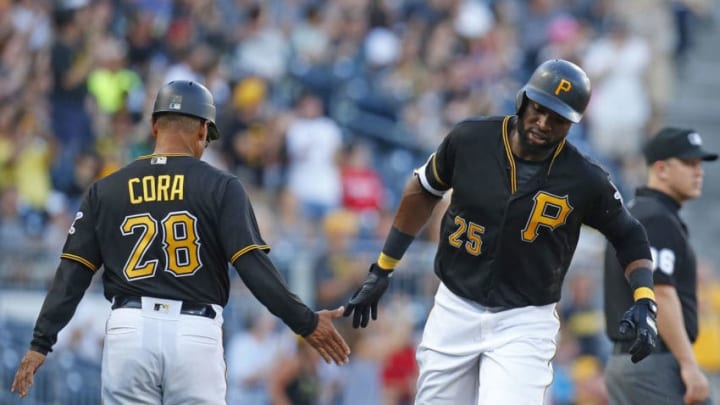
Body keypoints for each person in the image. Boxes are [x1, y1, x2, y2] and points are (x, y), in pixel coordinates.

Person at [11, 80, 350, 404]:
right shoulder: (220, 186)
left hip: (129, 330)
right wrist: (304, 322)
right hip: (194, 331)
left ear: (155, 126)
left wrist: (41, 342)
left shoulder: (107, 188)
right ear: (203, 130)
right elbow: (252, 265)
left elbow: (72, 274)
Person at [342, 59, 658, 404]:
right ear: (524, 100)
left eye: (557, 119)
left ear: (571, 125)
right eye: (539, 109)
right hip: (455, 306)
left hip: (524, 320)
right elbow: (423, 190)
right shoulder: (471, 139)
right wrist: (384, 267)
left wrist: (645, 298)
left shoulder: (584, 178)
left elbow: (629, 234)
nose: (543, 123)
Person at [604, 127, 717, 405]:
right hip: (652, 363)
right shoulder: (654, 217)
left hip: (635, 361)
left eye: (700, 164)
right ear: (662, 169)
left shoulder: (642, 213)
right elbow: (661, 295)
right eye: (689, 163)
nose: (698, 171)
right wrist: (689, 365)